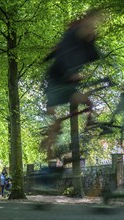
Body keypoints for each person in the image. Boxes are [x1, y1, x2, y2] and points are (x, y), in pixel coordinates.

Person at [41, 9, 104, 153]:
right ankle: (49, 144)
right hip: (56, 83)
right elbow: (61, 58)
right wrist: (70, 74)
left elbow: (92, 55)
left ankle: (87, 124)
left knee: (88, 103)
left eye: (93, 28)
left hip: (68, 87)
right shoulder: (70, 39)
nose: (91, 31)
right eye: (89, 27)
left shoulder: (87, 47)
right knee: (53, 114)